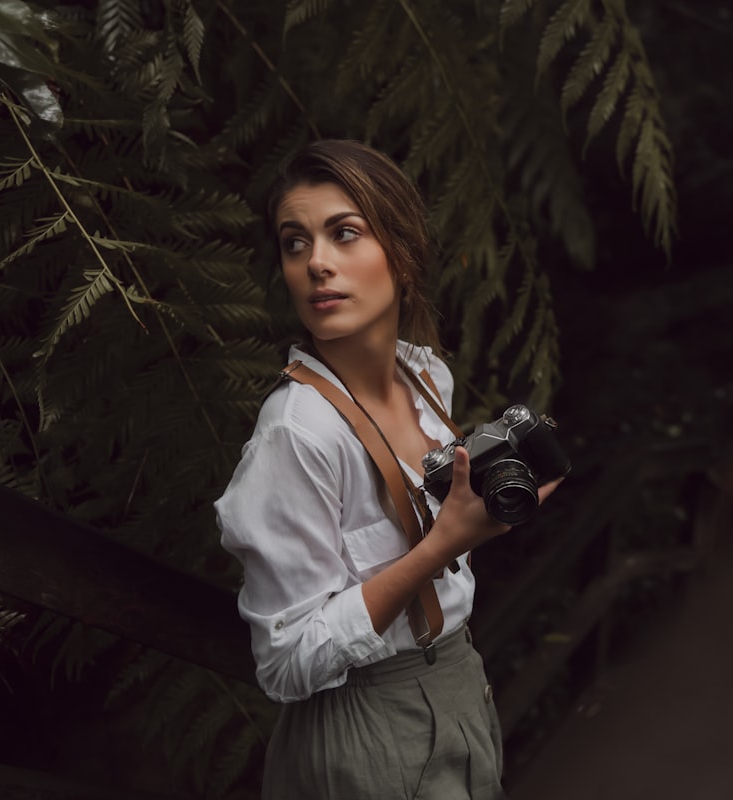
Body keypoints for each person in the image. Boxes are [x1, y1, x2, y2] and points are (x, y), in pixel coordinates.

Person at [214, 139, 562, 799]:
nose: (317, 262)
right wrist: (442, 547)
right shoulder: (299, 432)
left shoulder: (427, 376)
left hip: (459, 679)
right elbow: (286, 663)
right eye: (296, 242)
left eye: (344, 234)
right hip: (362, 725)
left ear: (401, 253)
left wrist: (484, 514)